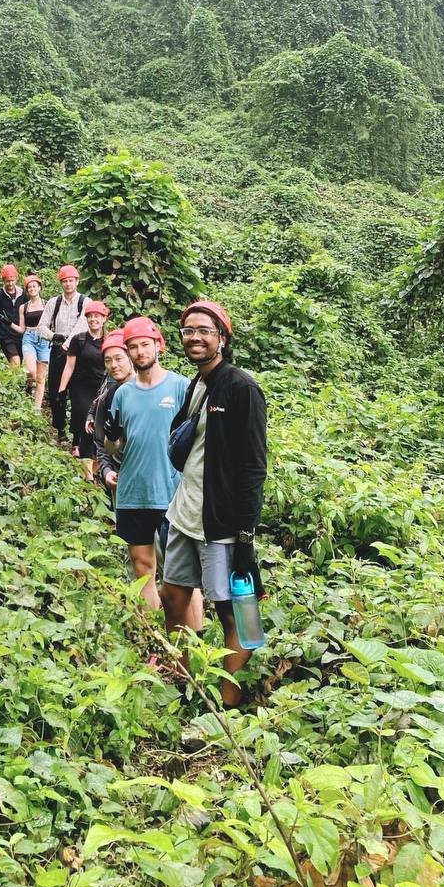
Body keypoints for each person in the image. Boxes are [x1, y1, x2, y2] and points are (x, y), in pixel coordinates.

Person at [160, 301, 267, 708]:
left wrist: (244, 535)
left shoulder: (241, 388)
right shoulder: (197, 383)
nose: (195, 338)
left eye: (204, 330)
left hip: (219, 525)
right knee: (173, 597)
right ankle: (185, 681)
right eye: (188, 331)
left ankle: (225, 705)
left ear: (222, 338)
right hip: (183, 515)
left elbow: (254, 467)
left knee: (232, 615)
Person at [106, 317, 188, 612]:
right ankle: (156, 639)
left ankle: (189, 640)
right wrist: (111, 436)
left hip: (172, 493)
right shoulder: (122, 394)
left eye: (144, 345)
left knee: (181, 577)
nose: (139, 352)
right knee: (142, 570)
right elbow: (113, 446)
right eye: (133, 347)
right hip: (132, 493)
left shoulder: (181, 387)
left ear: (158, 346)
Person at [36, 265, 89, 441]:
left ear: (77, 281)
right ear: (61, 283)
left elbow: (83, 325)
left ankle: (77, 435)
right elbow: (41, 327)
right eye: (65, 281)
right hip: (57, 349)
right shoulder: (53, 302)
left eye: (71, 281)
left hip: (79, 350)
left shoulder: (85, 302)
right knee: (56, 393)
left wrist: (69, 343)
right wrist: (54, 336)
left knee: (77, 393)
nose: (68, 284)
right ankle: (60, 430)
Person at [58, 299, 109, 468]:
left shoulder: (109, 342)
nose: (94, 319)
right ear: (86, 319)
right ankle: (81, 449)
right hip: (80, 385)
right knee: (82, 413)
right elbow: (69, 365)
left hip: (100, 387)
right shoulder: (78, 340)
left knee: (97, 420)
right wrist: (62, 389)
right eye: (90, 316)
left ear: (104, 319)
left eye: (97, 316)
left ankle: (90, 454)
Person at [90, 329, 134, 506]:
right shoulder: (108, 397)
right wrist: (107, 471)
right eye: (108, 361)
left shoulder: (157, 391)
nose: (113, 365)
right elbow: (100, 441)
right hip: (120, 474)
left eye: (119, 358)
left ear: (130, 357)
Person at [12, 274, 49, 408]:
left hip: (45, 340)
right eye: (29, 287)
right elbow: (22, 329)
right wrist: (9, 323)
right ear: (27, 290)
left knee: (40, 378)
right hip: (29, 338)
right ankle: (29, 383)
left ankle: (37, 408)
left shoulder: (47, 304)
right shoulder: (24, 307)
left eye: (34, 286)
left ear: (39, 287)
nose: (32, 289)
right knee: (31, 369)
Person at [0, 265, 25, 367]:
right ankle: (13, 382)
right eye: (8, 281)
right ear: (3, 280)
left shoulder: (23, 294)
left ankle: (15, 381)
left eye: (12, 280)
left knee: (22, 362)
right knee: (15, 361)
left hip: (20, 334)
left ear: (16, 279)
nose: (10, 283)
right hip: (5, 334)